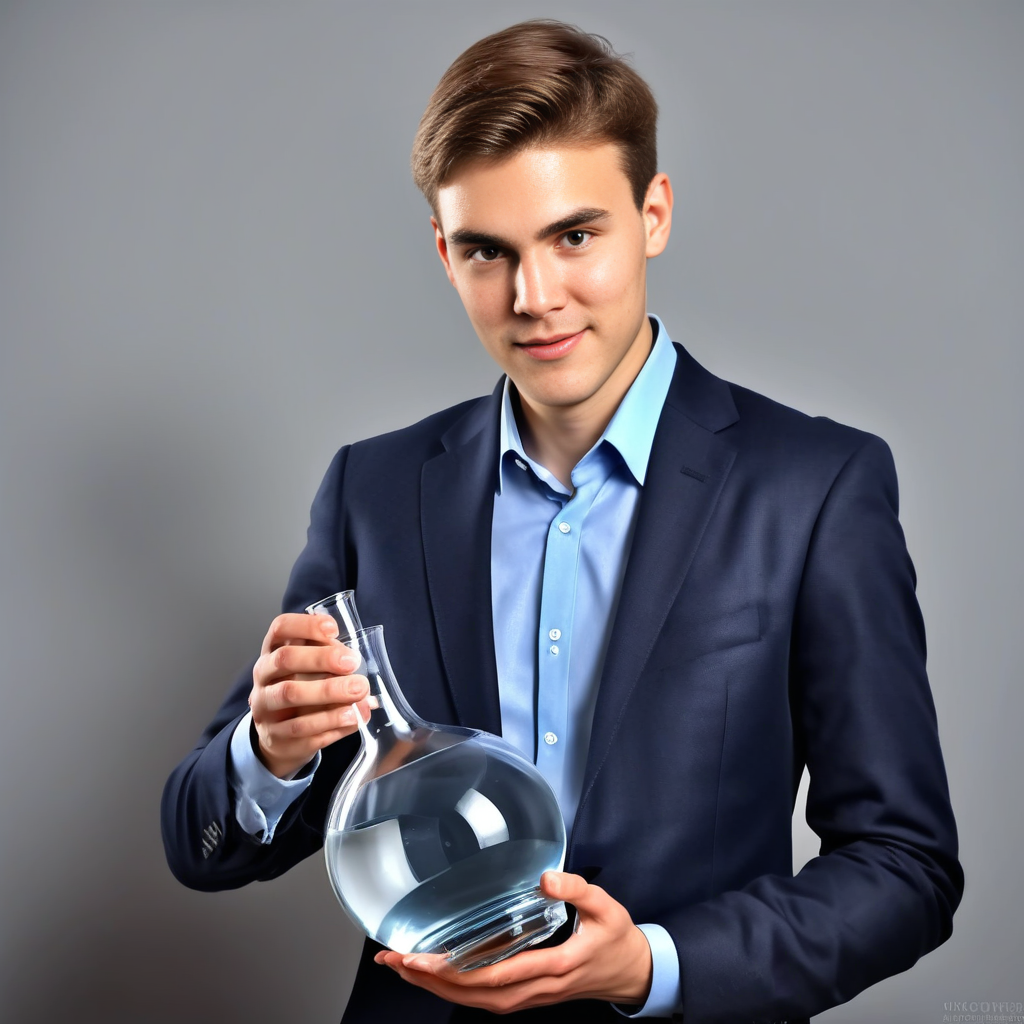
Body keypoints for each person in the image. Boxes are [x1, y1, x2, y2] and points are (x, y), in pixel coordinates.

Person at [162, 20, 963, 1023]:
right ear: (443, 252)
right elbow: (205, 842)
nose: (533, 298)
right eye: (486, 252)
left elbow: (904, 867)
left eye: (573, 235)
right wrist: (268, 754)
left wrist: (650, 965)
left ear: (653, 212)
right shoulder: (375, 486)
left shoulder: (816, 486)